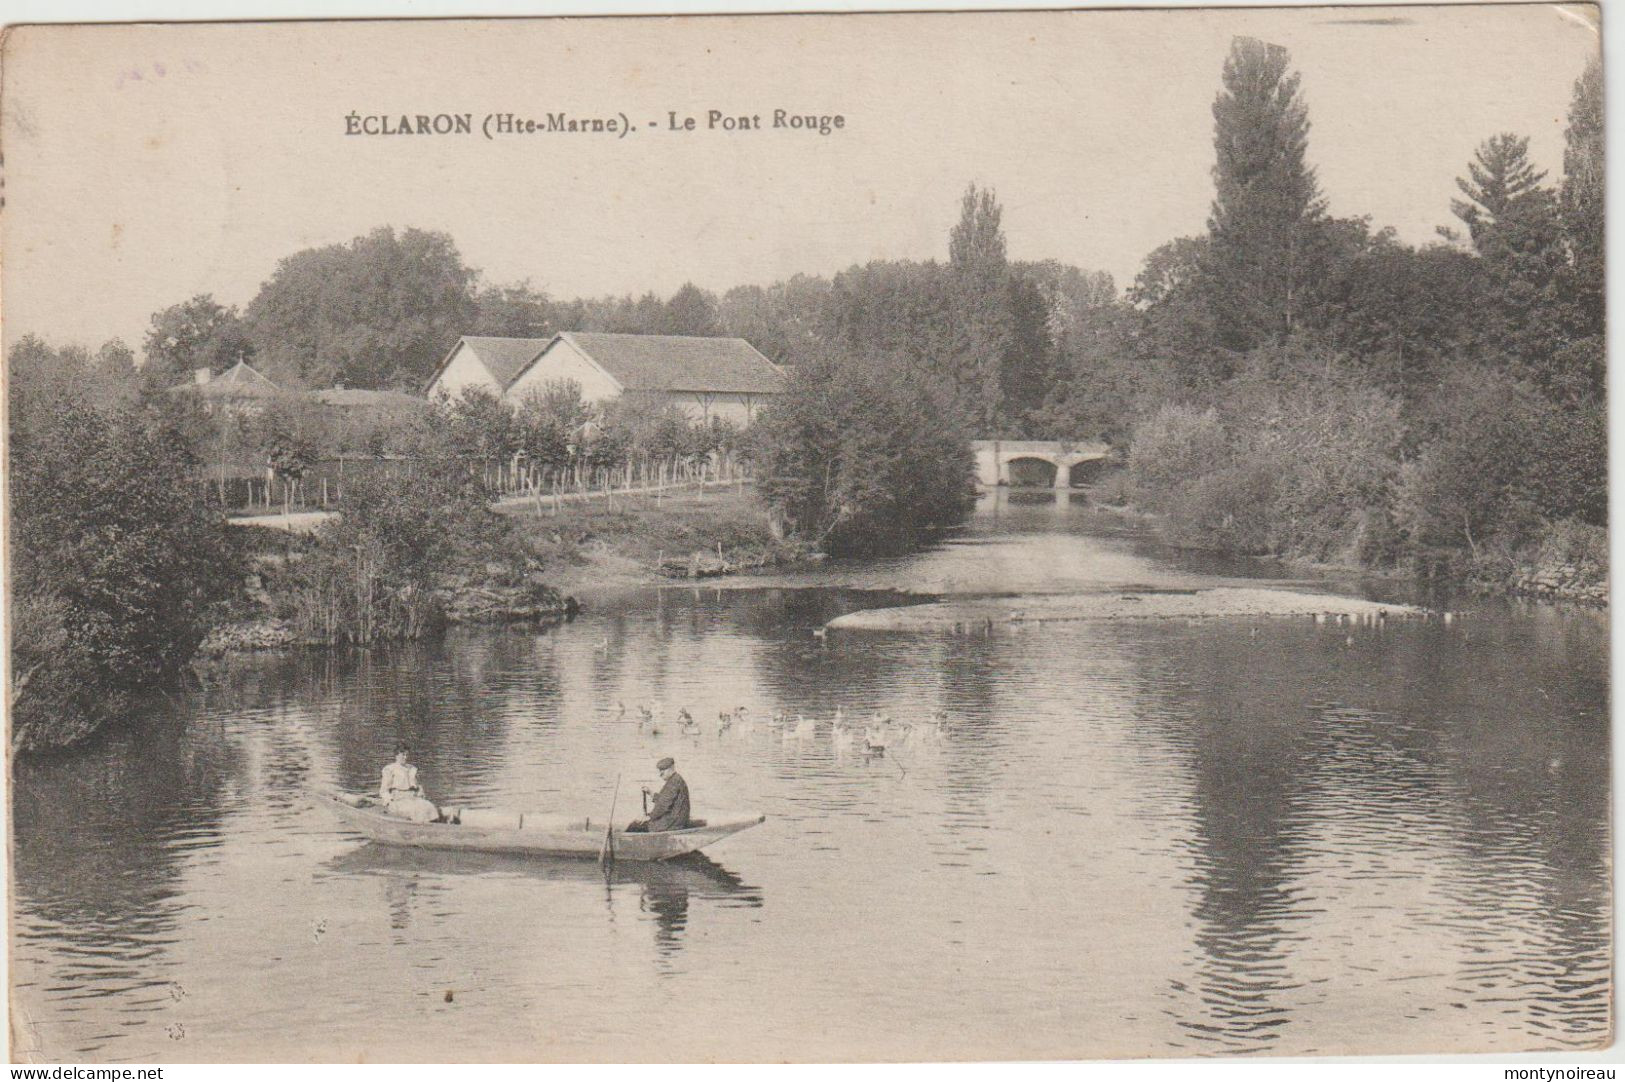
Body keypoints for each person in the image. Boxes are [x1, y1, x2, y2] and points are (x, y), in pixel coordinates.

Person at [626, 757, 690, 833]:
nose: (660, 774)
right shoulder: (675, 780)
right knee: (638, 824)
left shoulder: (674, 782)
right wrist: (650, 793)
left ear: (671, 768)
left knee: (634, 826)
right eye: (660, 771)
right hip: (674, 819)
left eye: (663, 771)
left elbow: (663, 805)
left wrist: (650, 817)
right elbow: (664, 800)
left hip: (672, 822)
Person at [379, 744, 438, 823]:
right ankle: (418, 826)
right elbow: (384, 790)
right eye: (403, 755)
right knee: (415, 809)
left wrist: (420, 792)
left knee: (429, 806)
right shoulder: (390, 769)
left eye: (407, 755)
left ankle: (431, 826)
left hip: (413, 798)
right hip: (398, 800)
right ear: (396, 755)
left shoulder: (411, 768)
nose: (405, 757)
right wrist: (389, 800)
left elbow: (418, 786)